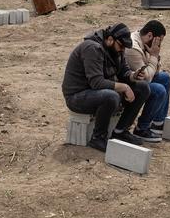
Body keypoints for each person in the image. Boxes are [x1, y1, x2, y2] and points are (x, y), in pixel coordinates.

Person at [61, 23, 151, 152]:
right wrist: (124, 87)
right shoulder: (92, 48)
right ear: (110, 39)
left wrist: (133, 76)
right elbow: (96, 83)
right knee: (111, 96)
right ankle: (98, 138)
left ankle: (120, 131)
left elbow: (123, 72)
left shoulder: (117, 49)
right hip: (77, 96)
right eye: (121, 46)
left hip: (96, 93)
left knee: (143, 88)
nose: (122, 50)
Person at [123, 20, 170, 143]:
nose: (158, 46)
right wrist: (154, 56)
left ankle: (158, 123)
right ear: (150, 36)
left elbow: (155, 71)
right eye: (158, 41)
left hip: (141, 79)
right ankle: (141, 128)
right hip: (130, 81)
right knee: (159, 90)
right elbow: (147, 78)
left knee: (165, 78)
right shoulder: (133, 48)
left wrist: (155, 56)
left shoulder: (145, 44)